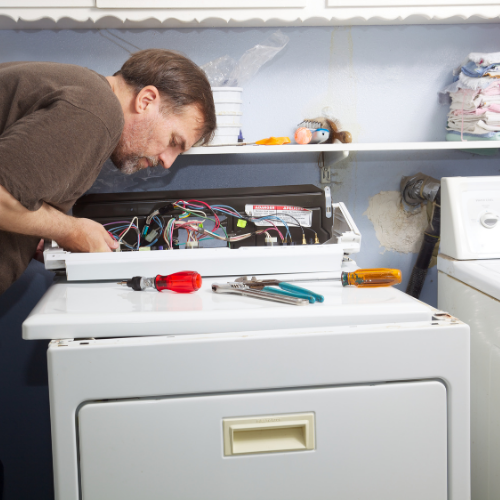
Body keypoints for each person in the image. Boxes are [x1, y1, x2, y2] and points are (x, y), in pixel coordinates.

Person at [0, 49, 216, 295]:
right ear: (146, 100)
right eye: (174, 141)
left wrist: (36, 226)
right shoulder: (97, 112)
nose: (168, 161)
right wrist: (68, 230)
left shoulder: (86, 93)